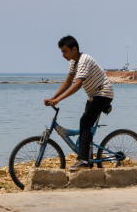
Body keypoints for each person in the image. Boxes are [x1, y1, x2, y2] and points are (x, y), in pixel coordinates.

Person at [44, 35, 114, 170]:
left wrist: (58, 100)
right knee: (85, 125)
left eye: (65, 51)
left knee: (85, 122)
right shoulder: (74, 63)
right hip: (93, 96)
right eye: (62, 52)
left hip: (103, 93)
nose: (63, 55)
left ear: (74, 49)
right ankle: (87, 157)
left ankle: (84, 161)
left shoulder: (83, 60)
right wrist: (53, 98)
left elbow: (77, 84)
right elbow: (68, 82)